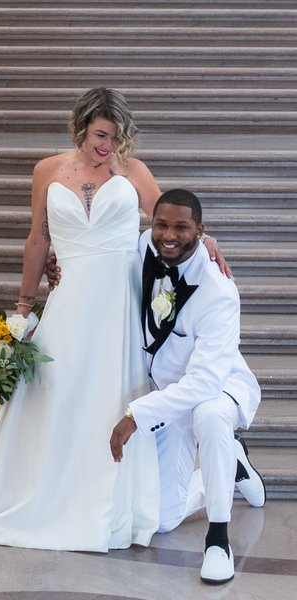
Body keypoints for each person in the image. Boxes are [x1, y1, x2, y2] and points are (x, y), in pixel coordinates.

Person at [0, 88, 226, 552]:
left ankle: (104, 494)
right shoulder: (47, 170)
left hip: (121, 305)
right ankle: (43, 490)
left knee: (107, 395)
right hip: (68, 298)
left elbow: (171, 221)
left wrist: (207, 240)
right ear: (81, 125)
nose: (108, 147)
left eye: (117, 138)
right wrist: (24, 306)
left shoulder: (133, 170)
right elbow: (38, 239)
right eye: (101, 135)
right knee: (54, 392)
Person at [110, 189, 266, 584]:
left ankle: (218, 538)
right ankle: (231, 467)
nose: (169, 235)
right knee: (162, 521)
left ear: (201, 230)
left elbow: (205, 382)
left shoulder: (219, 291)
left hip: (218, 387)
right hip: (168, 396)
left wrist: (136, 415)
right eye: (161, 224)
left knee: (211, 416)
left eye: (182, 227)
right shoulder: (146, 248)